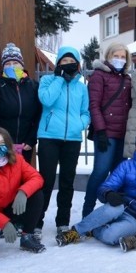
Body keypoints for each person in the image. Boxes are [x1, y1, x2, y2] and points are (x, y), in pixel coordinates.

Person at [56, 130, 136, 247]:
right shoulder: (127, 165)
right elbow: (105, 186)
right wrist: (108, 194)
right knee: (111, 210)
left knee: (111, 236)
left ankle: (93, 229)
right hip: (119, 206)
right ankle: (75, 231)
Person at [36, 46, 90, 236]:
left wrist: (80, 124)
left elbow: (85, 112)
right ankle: (36, 222)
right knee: (46, 181)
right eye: (63, 61)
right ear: (58, 63)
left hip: (72, 139)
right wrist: (58, 79)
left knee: (67, 182)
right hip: (49, 137)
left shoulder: (81, 87)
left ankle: (62, 222)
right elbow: (46, 100)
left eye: (71, 61)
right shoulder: (47, 80)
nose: (67, 65)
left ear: (77, 64)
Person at [83, 43, 132, 217]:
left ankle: (115, 212)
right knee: (101, 171)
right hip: (106, 134)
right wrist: (101, 130)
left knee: (118, 175)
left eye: (122, 56)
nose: (119, 59)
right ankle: (87, 211)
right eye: (116, 56)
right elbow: (94, 105)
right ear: (108, 56)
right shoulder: (99, 75)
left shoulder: (127, 78)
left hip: (122, 134)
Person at [0, 42, 41, 163]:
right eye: (8, 63)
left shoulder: (33, 86)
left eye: (15, 62)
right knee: (1, 179)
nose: (12, 66)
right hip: (2, 144)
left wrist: (32, 139)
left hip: (25, 145)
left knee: (22, 178)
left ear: (21, 64)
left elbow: (39, 115)